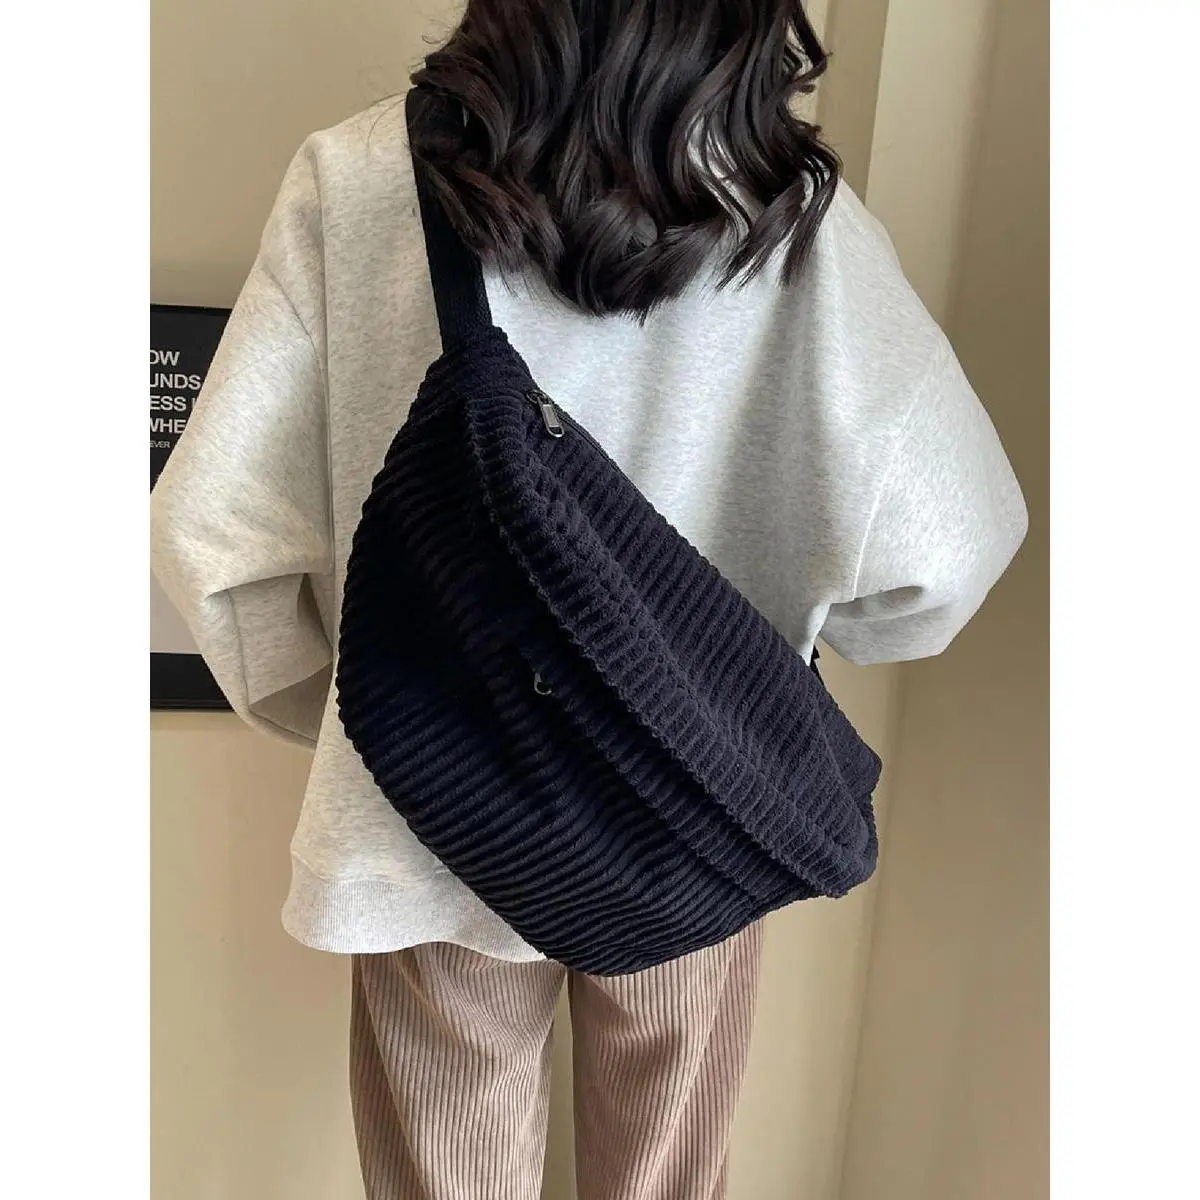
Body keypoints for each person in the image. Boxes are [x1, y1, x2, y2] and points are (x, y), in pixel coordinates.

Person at [150, 2, 1028, 1197]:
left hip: (431, 820)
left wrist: (366, 716)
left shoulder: (359, 180)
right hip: (694, 814)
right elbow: (952, 547)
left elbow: (214, 534)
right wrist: (786, 639)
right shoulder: (796, 220)